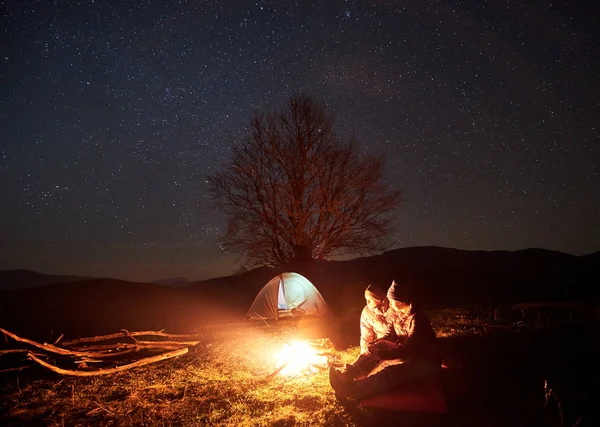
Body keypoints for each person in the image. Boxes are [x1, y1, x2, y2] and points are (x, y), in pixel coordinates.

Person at [329, 279, 441, 401]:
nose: (390, 303)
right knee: (379, 349)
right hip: (409, 355)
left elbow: (407, 349)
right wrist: (375, 346)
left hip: (425, 361)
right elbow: (389, 334)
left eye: (391, 300)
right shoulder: (398, 315)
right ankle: (348, 375)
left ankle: (351, 390)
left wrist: (381, 354)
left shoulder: (417, 319)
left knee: (390, 372)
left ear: (399, 301)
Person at [344, 283, 391, 379]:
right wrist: (365, 351)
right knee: (367, 357)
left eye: (370, 299)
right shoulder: (367, 312)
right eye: (366, 299)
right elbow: (366, 335)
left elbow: (394, 332)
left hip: (390, 344)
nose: (368, 302)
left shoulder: (392, 308)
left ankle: (356, 378)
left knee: (377, 361)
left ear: (378, 298)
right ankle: (347, 374)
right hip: (377, 344)